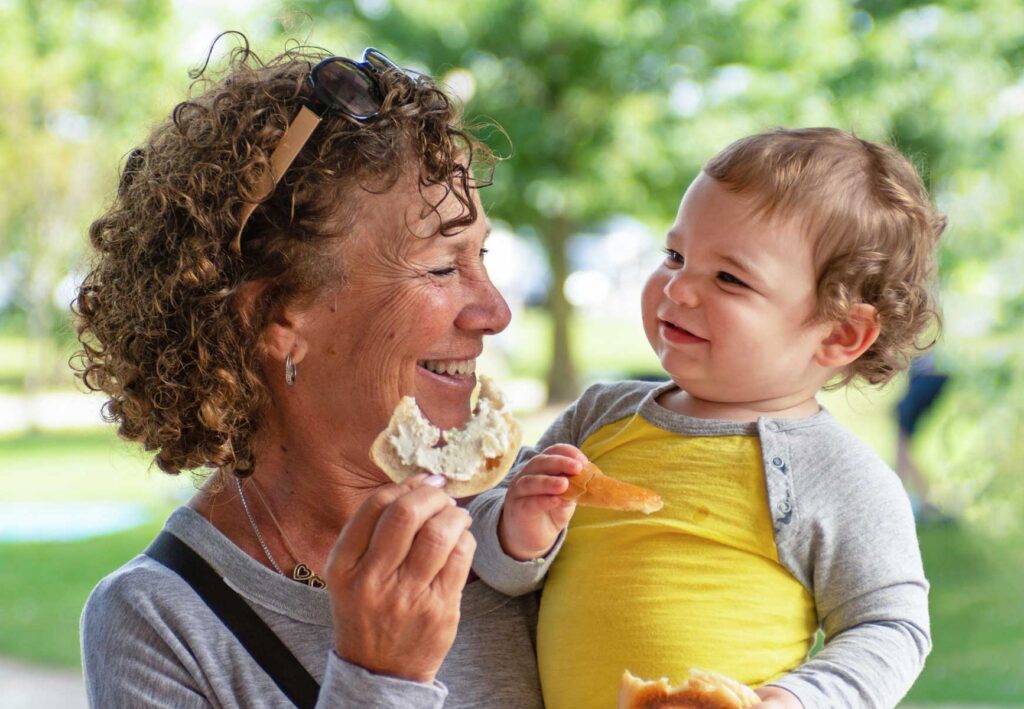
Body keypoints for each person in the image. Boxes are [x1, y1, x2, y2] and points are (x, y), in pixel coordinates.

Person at [74, 37, 543, 708]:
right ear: (278, 313)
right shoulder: (163, 622)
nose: (496, 311)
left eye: (482, 255)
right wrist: (380, 680)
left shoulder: (526, 527)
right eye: (443, 266)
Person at [467, 128, 943, 708]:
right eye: (675, 255)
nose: (679, 288)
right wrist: (518, 533)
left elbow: (891, 628)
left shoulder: (841, 477)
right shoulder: (599, 416)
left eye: (729, 278)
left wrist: (798, 700)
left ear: (840, 334)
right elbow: (492, 554)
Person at [895, 351, 950, 520]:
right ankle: (917, 500)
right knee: (903, 448)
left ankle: (911, 501)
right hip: (933, 380)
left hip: (925, 380)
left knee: (902, 449)